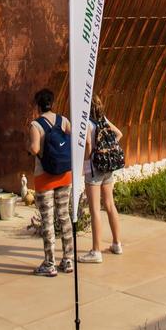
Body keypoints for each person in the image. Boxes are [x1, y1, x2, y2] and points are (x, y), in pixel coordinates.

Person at [27, 88, 74, 277]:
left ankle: (50, 263)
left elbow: (35, 148)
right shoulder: (64, 121)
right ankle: (68, 259)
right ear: (52, 103)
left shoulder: (35, 125)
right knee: (64, 216)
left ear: (38, 106)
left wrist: (30, 149)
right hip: (64, 174)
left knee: (47, 219)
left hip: (45, 177)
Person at [78, 95, 123, 263]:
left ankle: (96, 251)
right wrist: (108, 150)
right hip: (108, 168)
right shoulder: (103, 119)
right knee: (110, 204)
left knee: (95, 209)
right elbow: (119, 134)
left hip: (94, 170)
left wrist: (86, 161)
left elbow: (88, 144)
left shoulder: (87, 123)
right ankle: (117, 243)